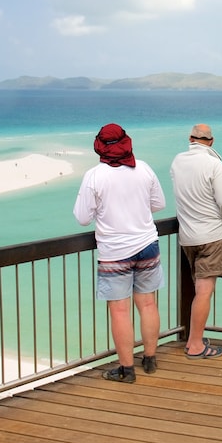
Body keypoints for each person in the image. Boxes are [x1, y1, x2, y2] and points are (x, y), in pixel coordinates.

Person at [73, 124, 166, 383]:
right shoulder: (143, 168)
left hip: (115, 250)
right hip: (147, 243)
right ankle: (150, 358)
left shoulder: (95, 176)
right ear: (127, 142)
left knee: (120, 311)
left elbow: (82, 218)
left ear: (99, 147)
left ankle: (126, 369)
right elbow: (159, 203)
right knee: (147, 303)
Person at [170, 124, 222, 359]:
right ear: (211, 142)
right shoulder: (214, 163)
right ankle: (195, 345)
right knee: (204, 291)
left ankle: (193, 337)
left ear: (189, 138)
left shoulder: (177, 161)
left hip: (187, 236)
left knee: (197, 289)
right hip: (211, 235)